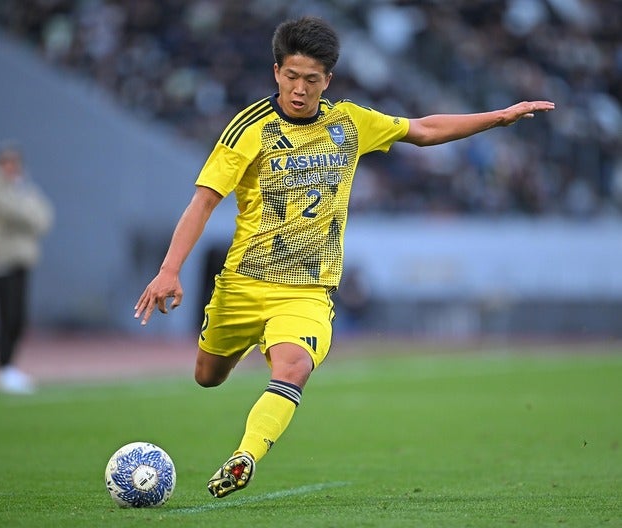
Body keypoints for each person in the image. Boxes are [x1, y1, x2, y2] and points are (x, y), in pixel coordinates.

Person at [134, 16, 554, 498]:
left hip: (308, 292)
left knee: (293, 367)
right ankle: (255, 340)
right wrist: (169, 270)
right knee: (207, 377)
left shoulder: (349, 123)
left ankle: (245, 456)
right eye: (292, 77)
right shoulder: (249, 129)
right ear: (276, 72)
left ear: (327, 80)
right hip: (243, 284)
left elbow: (423, 129)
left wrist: (498, 117)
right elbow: (204, 201)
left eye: (311, 80)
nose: (300, 90)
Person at [0, 142, 54, 394]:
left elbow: (45, 217)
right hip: (0, 260)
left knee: (19, 317)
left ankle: (10, 367)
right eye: (7, 162)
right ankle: (4, 368)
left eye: (15, 162)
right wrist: (28, 210)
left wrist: (27, 211)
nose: (12, 167)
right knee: (6, 315)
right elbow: (15, 213)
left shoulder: (23, 188)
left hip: (23, 259)